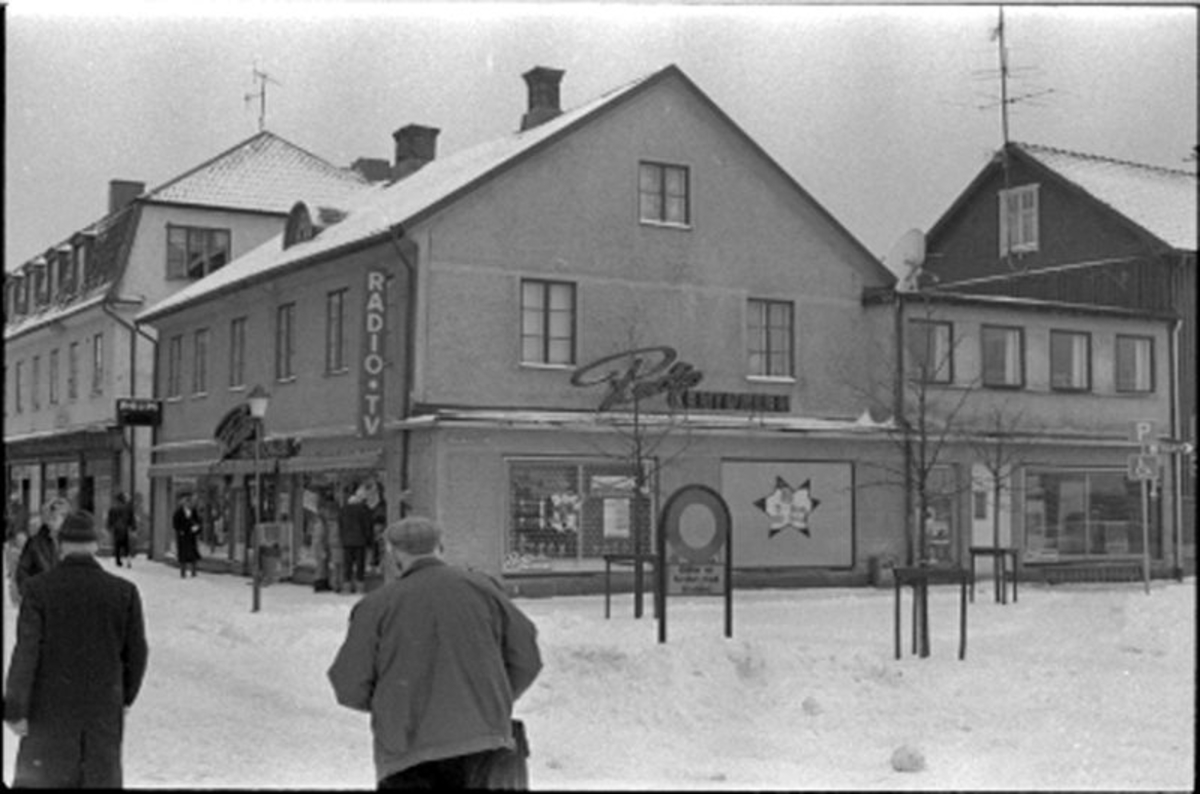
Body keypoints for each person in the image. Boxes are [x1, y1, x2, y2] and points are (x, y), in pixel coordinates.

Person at [328, 516, 542, 789]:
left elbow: (348, 683)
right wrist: (492, 697)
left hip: (407, 750)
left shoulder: (376, 606)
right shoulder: (484, 589)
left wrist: (394, 704)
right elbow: (525, 657)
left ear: (393, 554)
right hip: (485, 743)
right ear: (440, 547)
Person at [3, 510, 149, 788]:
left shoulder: (38, 590)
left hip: (49, 712)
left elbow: (26, 652)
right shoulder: (124, 592)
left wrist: (15, 708)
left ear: (61, 545)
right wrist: (124, 697)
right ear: (94, 546)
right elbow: (137, 655)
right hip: (102, 710)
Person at [15, 496, 72, 603]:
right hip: (42, 600)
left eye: (55, 518)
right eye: (48, 518)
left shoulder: (73, 542)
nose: (50, 521)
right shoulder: (35, 543)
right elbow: (22, 571)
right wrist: (30, 594)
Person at [339, 483, 375, 594]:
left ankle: (346, 586)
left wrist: (342, 538)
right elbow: (367, 526)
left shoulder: (344, 509)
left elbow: (340, 526)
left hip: (347, 542)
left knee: (347, 564)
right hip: (360, 541)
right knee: (360, 565)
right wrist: (370, 541)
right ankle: (360, 586)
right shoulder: (364, 510)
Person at [172, 493, 202, 578]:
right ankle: (183, 572)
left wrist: (197, 528)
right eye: (187, 502)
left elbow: (198, 522)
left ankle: (194, 572)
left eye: (190, 502)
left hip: (191, 536)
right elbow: (175, 524)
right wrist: (180, 530)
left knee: (193, 554)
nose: (189, 504)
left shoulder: (194, 511)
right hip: (183, 536)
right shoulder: (178, 512)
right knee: (183, 555)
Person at [107, 492, 136, 568]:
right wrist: (133, 527)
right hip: (125, 529)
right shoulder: (128, 508)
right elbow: (131, 519)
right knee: (127, 546)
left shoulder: (113, 508)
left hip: (117, 529)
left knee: (117, 545)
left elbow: (110, 519)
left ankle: (118, 561)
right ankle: (128, 560)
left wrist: (110, 527)